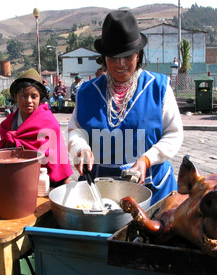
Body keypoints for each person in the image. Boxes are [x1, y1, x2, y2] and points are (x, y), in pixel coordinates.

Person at [68, 10, 184, 205]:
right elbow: (75, 131)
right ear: (104, 58)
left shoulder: (158, 88)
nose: (120, 64)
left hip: (152, 191)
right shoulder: (87, 92)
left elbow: (174, 133)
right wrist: (81, 149)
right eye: (113, 58)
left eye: (127, 56)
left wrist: (147, 159)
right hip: (99, 192)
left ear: (138, 55)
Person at [0, 68, 73, 187]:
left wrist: (65, 186)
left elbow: (58, 158)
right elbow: (3, 155)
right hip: (17, 179)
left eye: (34, 96)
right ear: (15, 97)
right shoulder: (8, 123)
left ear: (40, 98)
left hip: (47, 181)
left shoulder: (49, 122)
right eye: (23, 96)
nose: (29, 101)